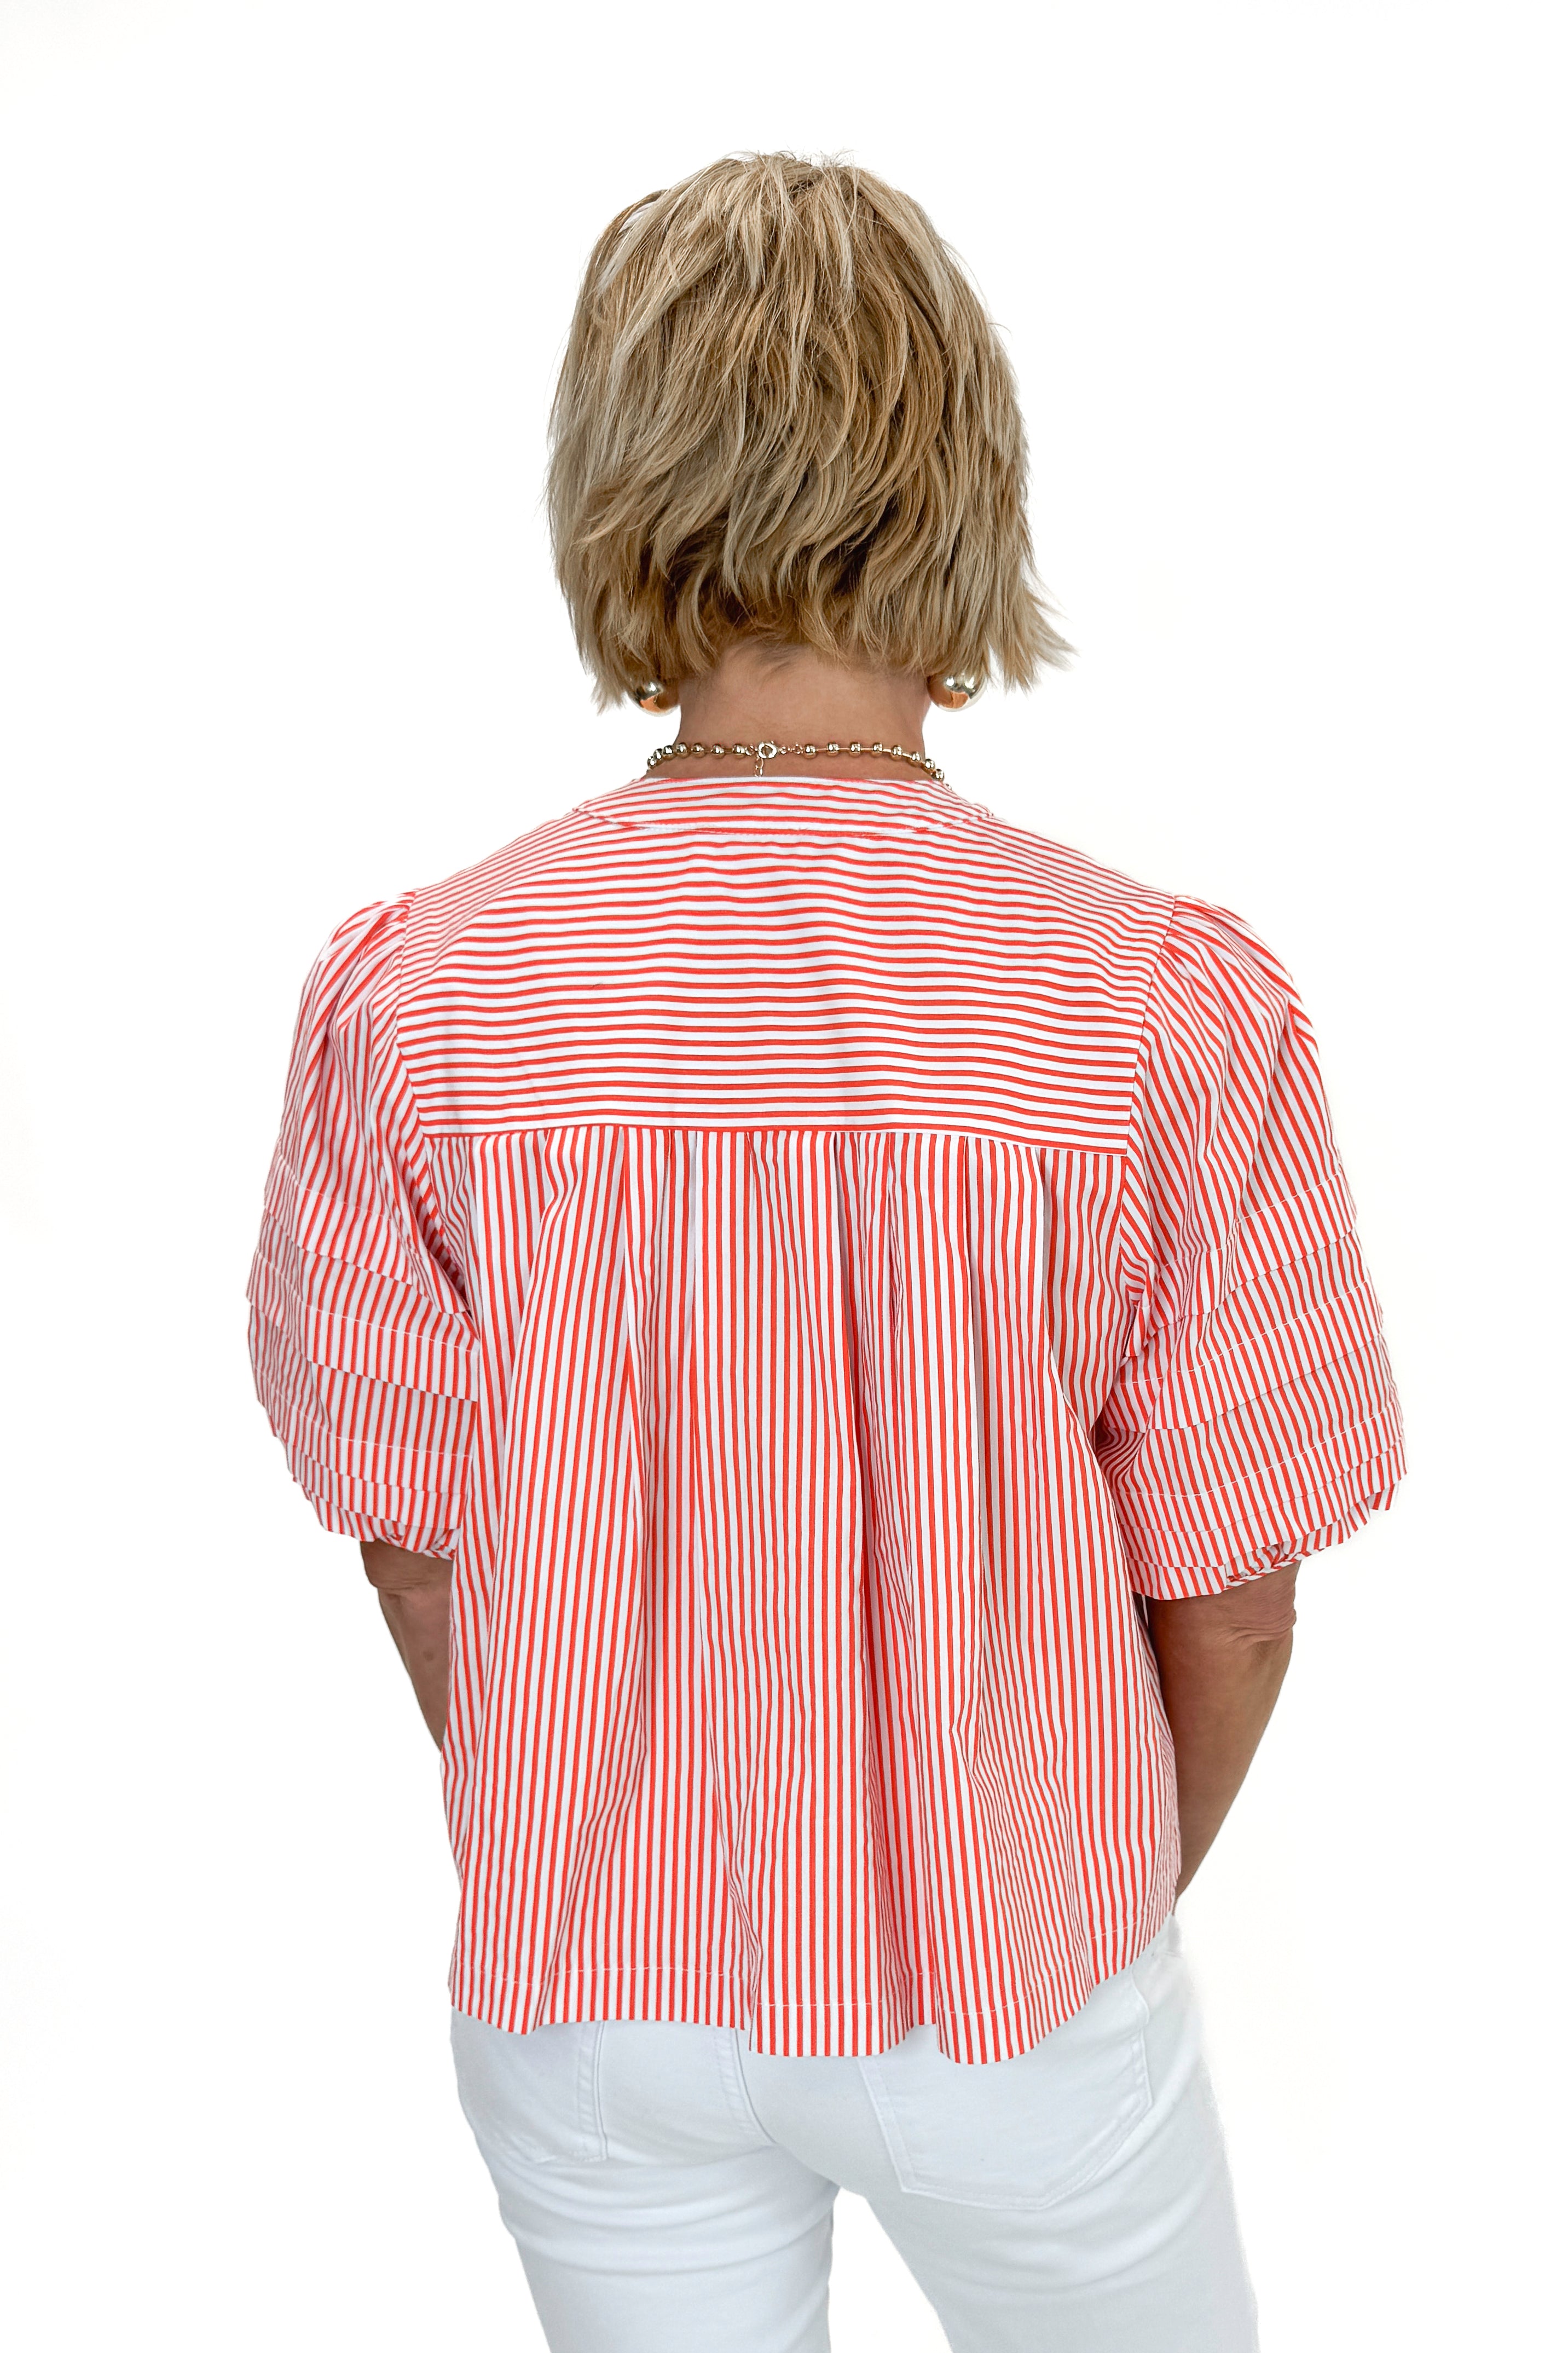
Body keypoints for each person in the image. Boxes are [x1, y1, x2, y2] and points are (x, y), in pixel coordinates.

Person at [247, 153, 1403, 2353]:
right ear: (961, 475)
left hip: (592, 1985)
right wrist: (1075, 1895)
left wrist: (584, 1824)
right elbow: (1235, 1594)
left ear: (612, 484)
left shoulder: (421, 994)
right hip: (1017, 1981)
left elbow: (417, 1543)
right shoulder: (1161, 1002)